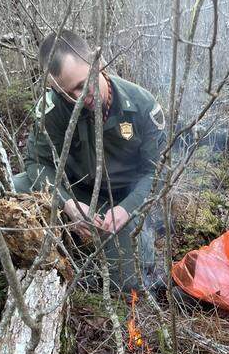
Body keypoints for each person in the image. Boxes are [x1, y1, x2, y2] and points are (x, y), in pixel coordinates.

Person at [13, 30, 168, 294]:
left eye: (84, 82)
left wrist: (127, 209)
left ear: (98, 62)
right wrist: (67, 204)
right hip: (74, 189)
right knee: (11, 190)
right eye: (69, 91)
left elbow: (157, 173)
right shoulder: (53, 107)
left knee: (127, 284)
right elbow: (37, 163)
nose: (80, 96)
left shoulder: (142, 105)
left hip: (122, 200)